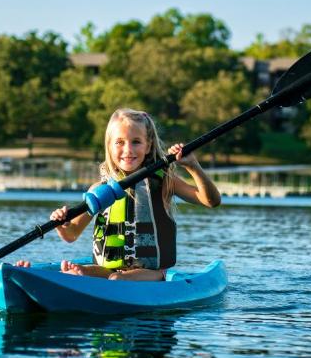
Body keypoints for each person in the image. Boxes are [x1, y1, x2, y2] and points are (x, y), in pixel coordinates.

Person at [16, 108, 221, 281]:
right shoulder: (99, 189)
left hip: (151, 272)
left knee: (117, 279)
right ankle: (32, 276)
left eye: (136, 142)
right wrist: (62, 224)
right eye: (120, 142)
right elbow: (71, 235)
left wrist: (194, 167)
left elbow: (211, 201)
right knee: (88, 272)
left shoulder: (164, 181)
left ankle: (81, 278)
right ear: (109, 146)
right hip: (107, 269)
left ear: (148, 145)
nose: (128, 150)